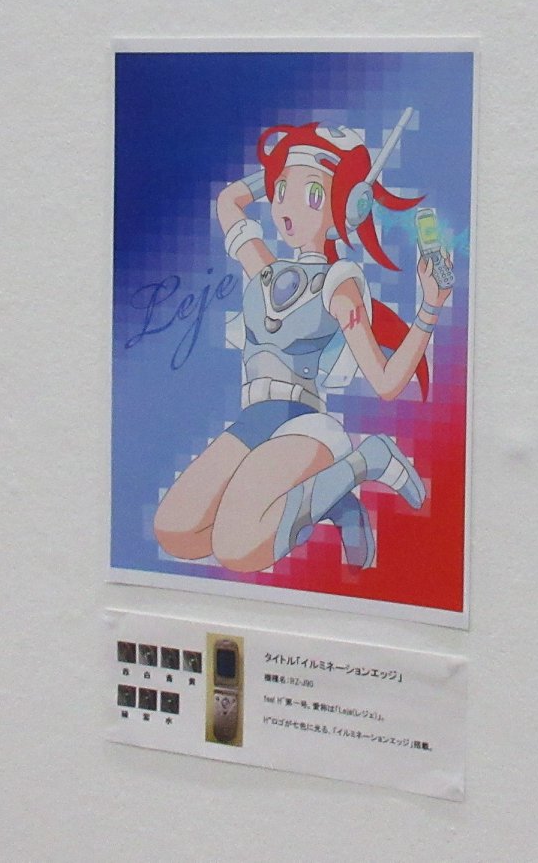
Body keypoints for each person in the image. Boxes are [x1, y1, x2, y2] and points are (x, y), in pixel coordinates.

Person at [152, 117, 450, 572]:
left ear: (346, 208)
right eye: (281, 191)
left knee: (236, 549)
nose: (288, 206)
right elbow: (230, 201)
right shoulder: (264, 269)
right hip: (253, 420)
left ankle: (369, 459)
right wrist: (280, 172)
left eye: (312, 194)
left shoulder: (339, 285)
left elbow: (387, 382)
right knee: (177, 531)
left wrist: (430, 306)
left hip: (303, 424)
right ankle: (329, 497)